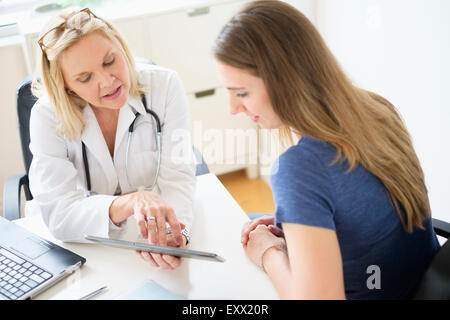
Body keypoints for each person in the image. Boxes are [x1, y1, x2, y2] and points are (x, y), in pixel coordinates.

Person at [213, 0, 440, 299]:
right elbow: (369, 210)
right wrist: (300, 222)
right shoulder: (377, 108)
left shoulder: (298, 169)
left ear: (286, 82)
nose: (232, 108)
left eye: (241, 93)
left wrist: (267, 253)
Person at [29, 8, 196, 270]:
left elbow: (177, 178)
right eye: (85, 78)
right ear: (66, 85)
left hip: (153, 235)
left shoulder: (165, 87)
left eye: (110, 61)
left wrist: (176, 233)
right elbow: (60, 215)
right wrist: (128, 203)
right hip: (91, 249)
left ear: (121, 46)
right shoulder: (46, 117)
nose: (107, 82)